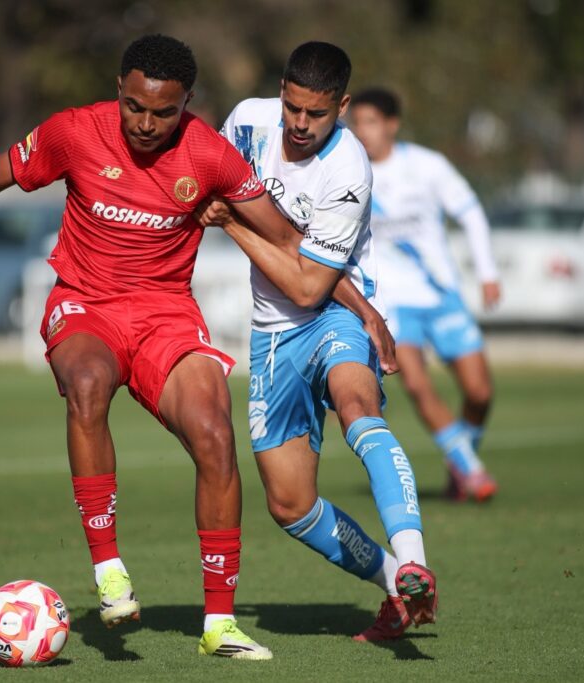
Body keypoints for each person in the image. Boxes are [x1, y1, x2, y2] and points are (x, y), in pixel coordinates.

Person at [0, 34, 331, 660]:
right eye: (135, 107)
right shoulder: (74, 132)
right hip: (85, 304)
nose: (147, 123)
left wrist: (360, 309)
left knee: (215, 434)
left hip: (166, 314)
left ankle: (219, 624)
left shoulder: (211, 155)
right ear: (118, 90)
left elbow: (290, 244)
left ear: (187, 103)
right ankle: (109, 569)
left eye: (164, 112)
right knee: (88, 384)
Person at [199, 42, 438, 644]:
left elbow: (309, 288)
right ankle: (395, 582)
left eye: (318, 114)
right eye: (294, 108)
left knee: (357, 407)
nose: (301, 124)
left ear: (343, 106)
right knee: (289, 505)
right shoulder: (246, 122)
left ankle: (414, 559)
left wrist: (231, 224)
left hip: (334, 311)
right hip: (271, 331)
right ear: (281, 91)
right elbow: (208, 189)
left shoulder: (348, 169)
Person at [348, 87, 500, 502]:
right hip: (392, 302)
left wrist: (487, 272)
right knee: (415, 383)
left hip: (440, 292)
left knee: (480, 393)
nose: (363, 131)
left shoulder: (427, 166)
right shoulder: (348, 170)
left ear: (392, 125)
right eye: (357, 123)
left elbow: (470, 212)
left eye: (371, 122)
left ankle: (460, 458)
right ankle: (471, 469)